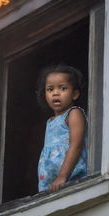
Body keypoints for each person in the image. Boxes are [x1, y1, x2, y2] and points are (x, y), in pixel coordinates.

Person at [37, 64, 87, 192]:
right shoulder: (50, 122)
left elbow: (76, 145)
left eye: (62, 88)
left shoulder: (73, 113)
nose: (55, 93)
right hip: (52, 184)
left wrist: (62, 176)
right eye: (50, 89)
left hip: (70, 178)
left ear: (74, 94)